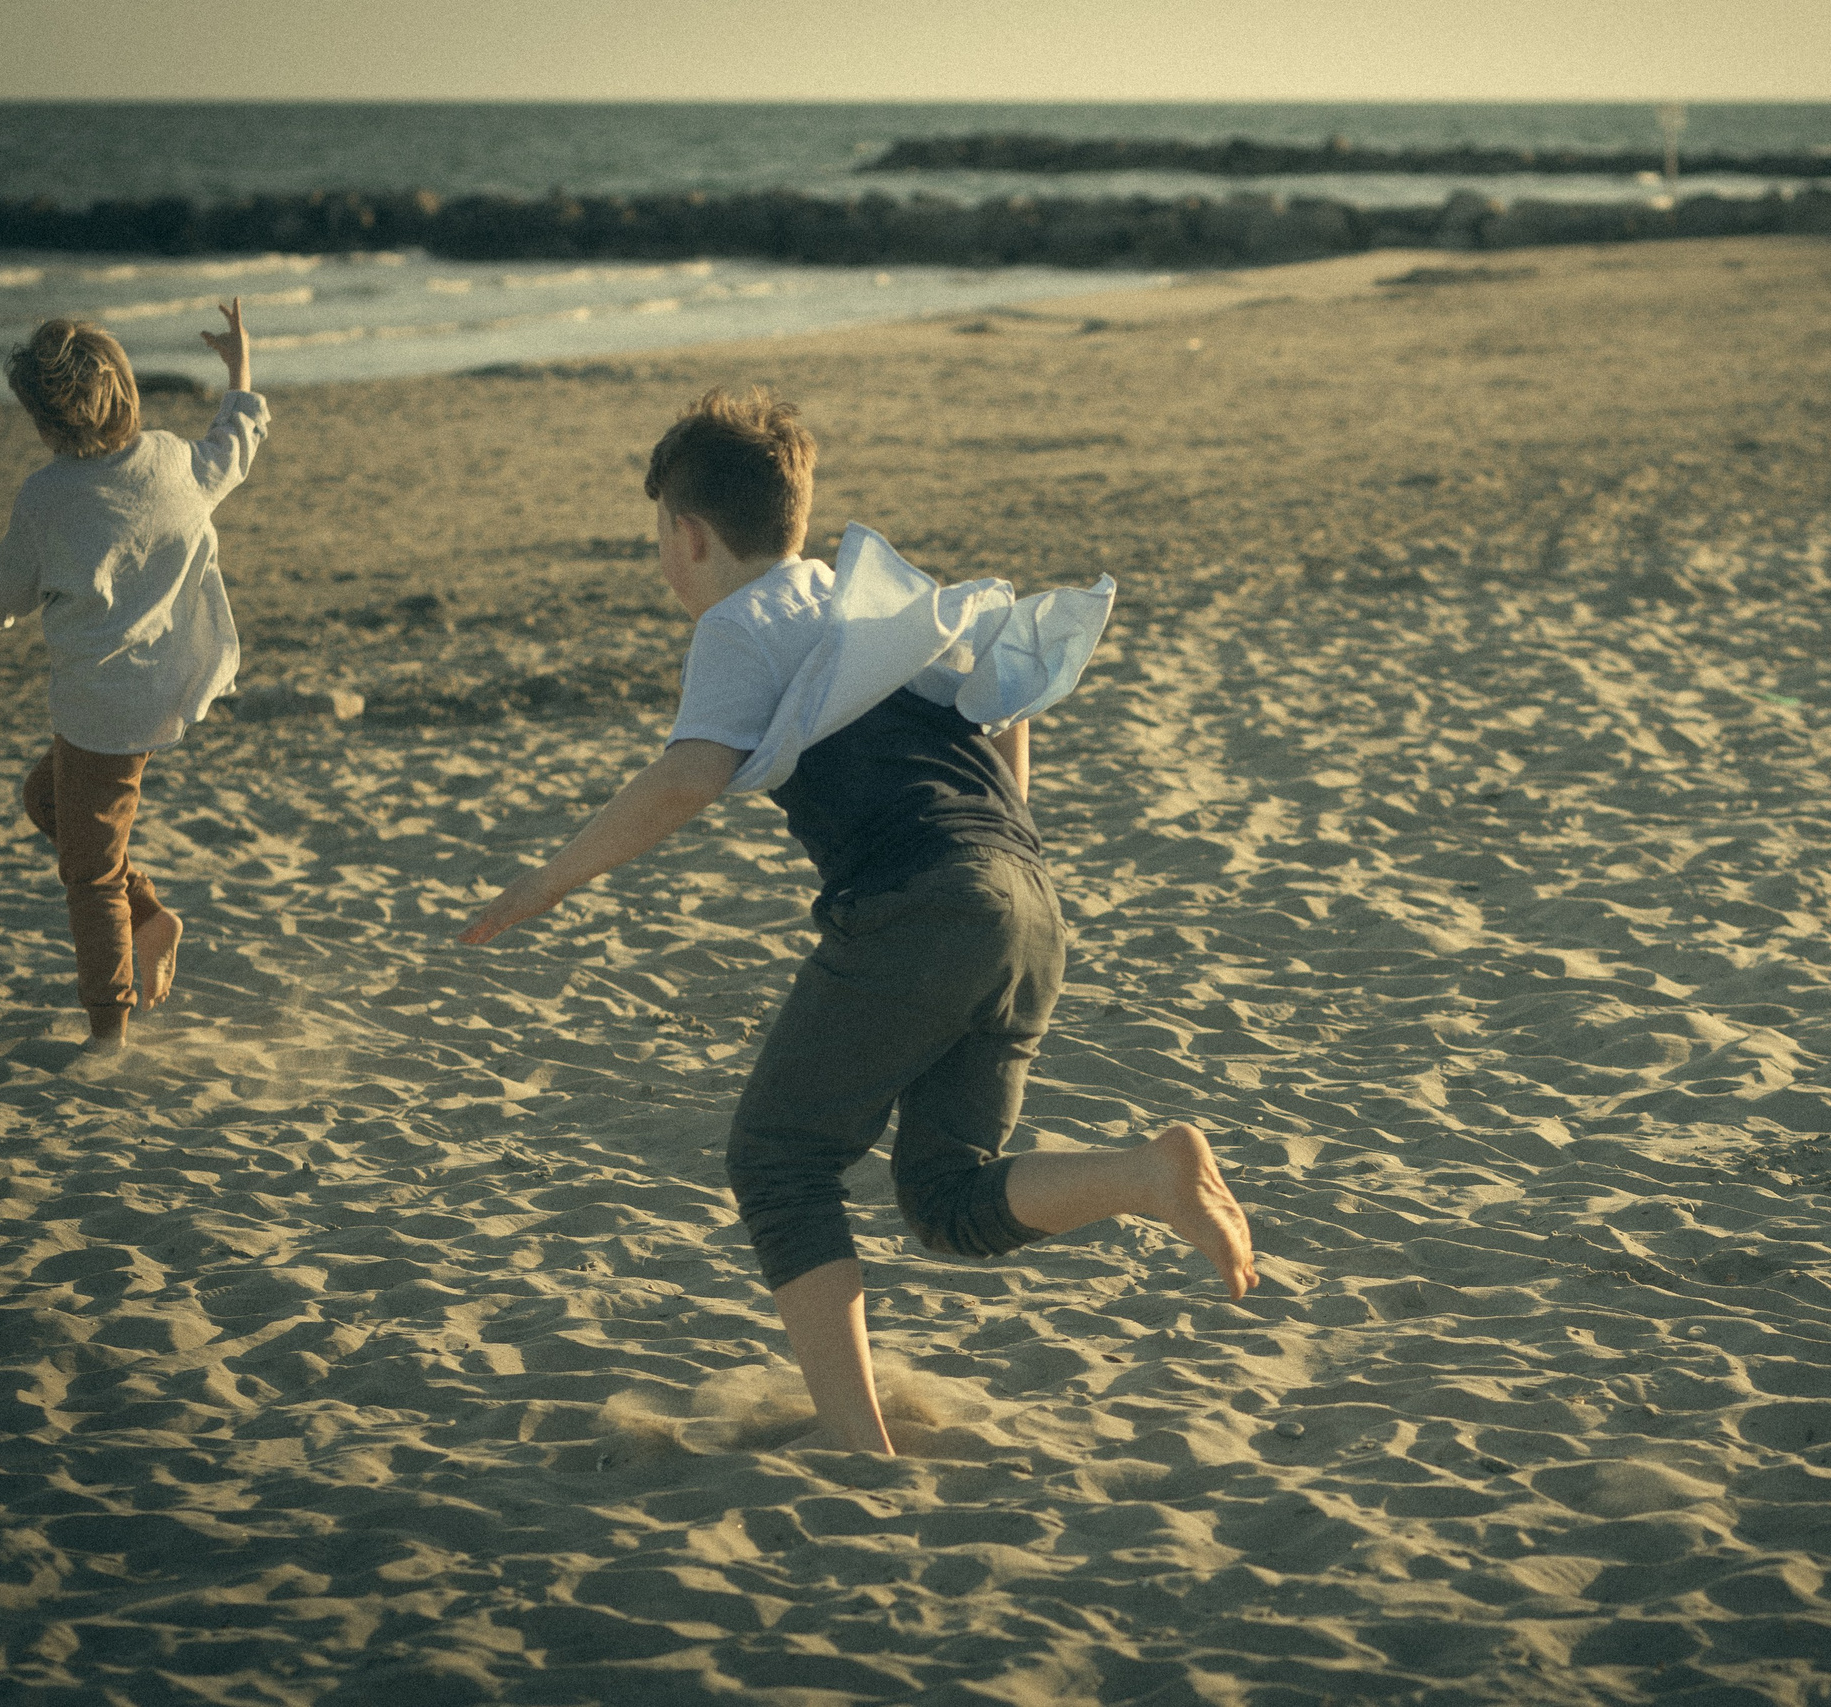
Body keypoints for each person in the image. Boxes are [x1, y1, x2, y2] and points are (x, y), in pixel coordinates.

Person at [458, 387, 1253, 1455]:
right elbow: (1002, 710)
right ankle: (1148, 1175)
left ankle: (854, 1438)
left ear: (688, 536)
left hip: (922, 904)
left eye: (660, 536)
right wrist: (996, 844)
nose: (663, 556)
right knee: (945, 1201)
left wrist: (543, 885)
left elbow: (688, 776)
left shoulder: (738, 624)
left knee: (778, 1160)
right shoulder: (870, 605)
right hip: (1025, 901)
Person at [0, 304, 266, 1053]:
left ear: (47, 423)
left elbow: (2, 597)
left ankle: (109, 1030)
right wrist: (238, 365)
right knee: (45, 798)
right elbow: (235, 446)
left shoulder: (46, 499)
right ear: (128, 391)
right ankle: (151, 914)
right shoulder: (173, 459)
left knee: (89, 878)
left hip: (100, 716)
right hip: (155, 694)